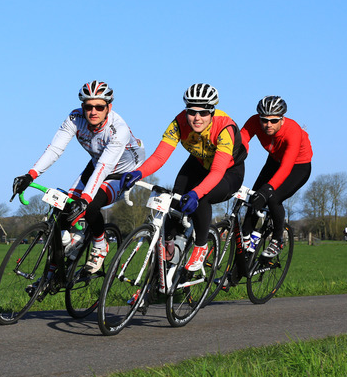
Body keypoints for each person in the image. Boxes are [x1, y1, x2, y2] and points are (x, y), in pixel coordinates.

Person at [12, 80, 145, 273]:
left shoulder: (118, 129)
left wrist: (85, 199)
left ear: (109, 107)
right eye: (88, 106)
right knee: (65, 214)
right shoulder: (75, 118)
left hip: (123, 171)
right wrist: (30, 175)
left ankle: (100, 246)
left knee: (90, 206)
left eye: (99, 107)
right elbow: (55, 149)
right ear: (82, 106)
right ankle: (59, 266)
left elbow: (104, 167)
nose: (93, 112)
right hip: (98, 162)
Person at [120, 83, 246, 271]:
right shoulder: (179, 122)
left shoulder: (224, 127)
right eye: (192, 112)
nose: (197, 118)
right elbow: (160, 156)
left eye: (203, 113)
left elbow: (217, 172)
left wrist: (195, 193)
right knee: (175, 198)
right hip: (198, 162)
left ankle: (201, 246)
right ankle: (171, 250)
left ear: (212, 112)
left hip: (228, 171)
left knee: (201, 197)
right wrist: (138, 173)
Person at [240, 96, 312, 257]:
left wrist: (268, 189)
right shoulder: (254, 121)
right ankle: (246, 236)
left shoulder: (292, 131)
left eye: (273, 121)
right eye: (264, 120)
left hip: (297, 166)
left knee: (272, 197)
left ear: (282, 119)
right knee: (254, 196)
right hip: (274, 160)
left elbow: (287, 166)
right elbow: (241, 140)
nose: (268, 125)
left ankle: (277, 239)